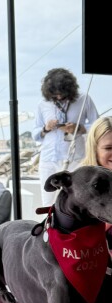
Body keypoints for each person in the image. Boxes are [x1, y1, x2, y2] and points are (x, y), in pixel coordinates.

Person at [33, 67, 98, 204]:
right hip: (49, 159)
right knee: (48, 203)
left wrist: (79, 128)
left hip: (76, 159)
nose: (59, 97)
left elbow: (96, 125)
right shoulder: (42, 104)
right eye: (55, 95)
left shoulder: (84, 99)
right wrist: (46, 128)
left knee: (76, 201)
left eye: (62, 94)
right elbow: (35, 134)